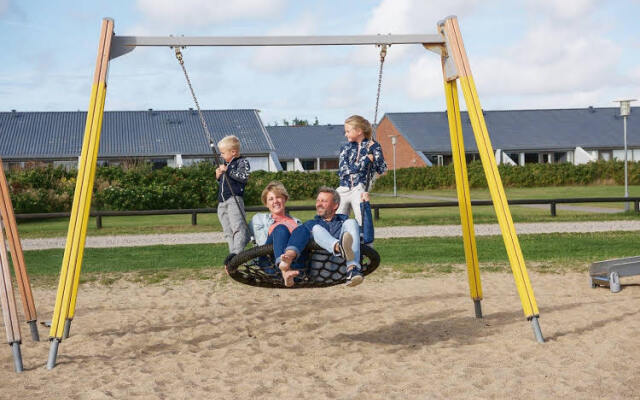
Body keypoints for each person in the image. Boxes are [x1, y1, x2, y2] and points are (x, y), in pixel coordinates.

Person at [278, 186, 374, 288]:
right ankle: (338, 247)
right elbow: (297, 238)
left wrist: (365, 206)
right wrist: (289, 256)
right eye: (318, 201)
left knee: (351, 222)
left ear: (335, 206)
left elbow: (367, 238)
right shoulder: (311, 224)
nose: (319, 204)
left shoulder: (344, 225)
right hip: (320, 271)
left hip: (342, 270)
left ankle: (352, 269)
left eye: (323, 201)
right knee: (316, 228)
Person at [337, 115, 387, 226]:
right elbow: (343, 170)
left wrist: (376, 152)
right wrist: (364, 161)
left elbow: (381, 169)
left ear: (359, 131)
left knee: (362, 220)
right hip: (344, 188)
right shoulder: (345, 148)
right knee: (337, 219)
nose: (346, 134)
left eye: (348, 131)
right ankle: (339, 241)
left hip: (359, 189)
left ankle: (364, 242)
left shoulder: (373, 146)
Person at [250, 181, 301, 272]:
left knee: (302, 231)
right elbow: (244, 236)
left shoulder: (297, 222)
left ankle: (289, 271)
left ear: (284, 199)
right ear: (266, 204)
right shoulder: (259, 219)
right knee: (281, 229)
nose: (275, 201)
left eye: (278, 197)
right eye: (271, 199)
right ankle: (283, 267)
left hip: (295, 264)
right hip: (270, 262)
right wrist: (233, 258)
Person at [216, 135, 251, 264]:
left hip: (234, 199)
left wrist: (228, 171)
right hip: (222, 201)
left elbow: (243, 177)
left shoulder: (242, 162)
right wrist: (218, 177)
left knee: (238, 227)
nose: (221, 155)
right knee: (227, 230)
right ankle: (232, 256)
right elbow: (224, 184)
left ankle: (238, 253)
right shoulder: (226, 164)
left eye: (223, 153)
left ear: (233, 152)